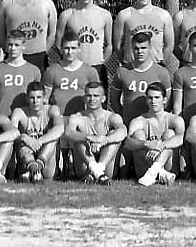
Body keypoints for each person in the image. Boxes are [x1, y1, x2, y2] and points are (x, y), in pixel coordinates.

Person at [43, 31, 99, 177]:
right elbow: (46, 99)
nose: (70, 52)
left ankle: (76, 164)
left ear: (79, 48)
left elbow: (96, 97)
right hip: (59, 118)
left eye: (73, 48)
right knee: (53, 173)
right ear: (61, 48)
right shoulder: (51, 71)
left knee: (78, 164)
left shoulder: (89, 71)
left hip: (80, 119)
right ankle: (61, 163)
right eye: (67, 48)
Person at [0, 0, 57, 72]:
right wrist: (10, 52)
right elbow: (1, 35)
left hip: (39, 58)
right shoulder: (6, 4)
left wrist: (44, 51)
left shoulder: (47, 3)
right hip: (13, 58)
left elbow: (52, 34)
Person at [55, 0, 113, 86]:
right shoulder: (67, 15)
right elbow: (58, 43)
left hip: (97, 67)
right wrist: (69, 61)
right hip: (74, 68)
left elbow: (109, 46)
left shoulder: (105, 15)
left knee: (98, 101)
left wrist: (102, 62)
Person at [65, 82, 127, 185]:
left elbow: (123, 131)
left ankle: (98, 170)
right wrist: (90, 138)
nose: (92, 99)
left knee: (114, 135)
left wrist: (104, 140)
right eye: (89, 95)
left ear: (103, 98)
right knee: (80, 137)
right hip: (85, 167)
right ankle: (97, 171)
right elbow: (68, 133)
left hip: (106, 167)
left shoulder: (112, 117)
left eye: (96, 96)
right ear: (84, 98)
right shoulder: (77, 117)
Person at [125, 82, 185, 186]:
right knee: (138, 134)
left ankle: (154, 172)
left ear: (164, 100)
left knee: (170, 134)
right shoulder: (138, 121)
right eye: (150, 98)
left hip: (169, 166)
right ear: (146, 100)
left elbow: (180, 139)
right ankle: (159, 174)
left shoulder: (175, 120)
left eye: (157, 97)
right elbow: (127, 143)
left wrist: (160, 146)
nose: (153, 101)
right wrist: (146, 144)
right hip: (143, 169)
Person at [110, 32, 172, 127]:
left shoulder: (162, 72)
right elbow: (114, 100)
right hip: (129, 123)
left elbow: (167, 101)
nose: (140, 52)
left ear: (150, 48)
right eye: (136, 48)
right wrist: (123, 116)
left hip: (154, 125)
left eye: (143, 48)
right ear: (132, 49)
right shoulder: (122, 71)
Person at [10, 82, 64, 183]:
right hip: (26, 155)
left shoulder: (52, 109)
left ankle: (37, 166)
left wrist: (38, 141)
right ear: (27, 99)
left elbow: (60, 128)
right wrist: (25, 137)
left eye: (39, 97)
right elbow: (11, 132)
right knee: (22, 141)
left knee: (53, 139)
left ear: (44, 98)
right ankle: (33, 169)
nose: (35, 101)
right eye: (32, 98)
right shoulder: (19, 112)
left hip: (46, 156)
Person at [113, 0, 174, 65]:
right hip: (131, 67)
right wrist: (126, 62)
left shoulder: (163, 15)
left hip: (155, 66)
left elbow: (169, 45)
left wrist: (159, 61)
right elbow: (118, 46)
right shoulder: (124, 15)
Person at [0, 30, 41, 116]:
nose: (13, 48)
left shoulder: (34, 71)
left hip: (25, 117)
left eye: (16, 45)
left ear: (23, 46)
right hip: (0, 116)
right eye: (10, 44)